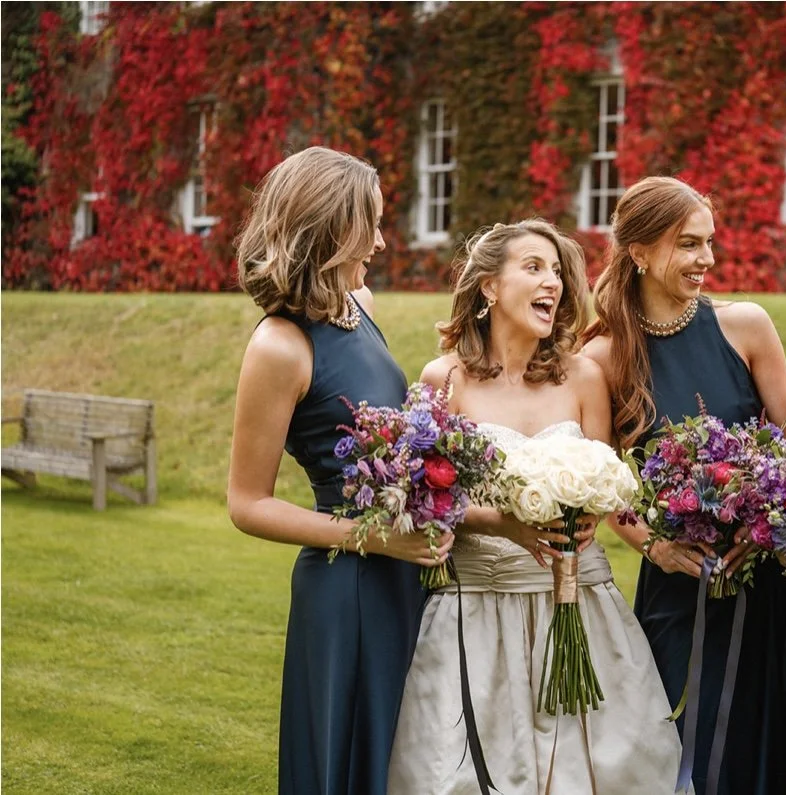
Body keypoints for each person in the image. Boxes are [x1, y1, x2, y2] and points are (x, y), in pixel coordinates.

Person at [387, 219, 682, 795]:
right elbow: (424, 499)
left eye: (557, 272)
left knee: (605, 768)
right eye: (533, 268)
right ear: (490, 287)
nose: (553, 282)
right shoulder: (442, 379)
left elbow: (611, 494)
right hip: (475, 609)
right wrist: (504, 523)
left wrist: (627, 532)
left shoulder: (584, 377)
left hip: (579, 606)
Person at [580, 176, 786, 794]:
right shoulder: (604, 356)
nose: (706, 260)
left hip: (762, 577)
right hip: (675, 584)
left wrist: (765, 528)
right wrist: (655, 548)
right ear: (638, 252)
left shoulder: (747, 326)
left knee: (757, 743)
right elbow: (605, 485)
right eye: (688, 245)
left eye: (709, 243)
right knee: (670, 743)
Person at [226, 146, 450, 795]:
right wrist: (372, 536)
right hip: (346, 586)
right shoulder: (279, 344)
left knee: (407, 758)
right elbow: (246, 502)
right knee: (350, 760)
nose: (380, 241)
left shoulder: (362, 302)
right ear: (328, 229)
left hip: (403, 571)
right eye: (370, 225)